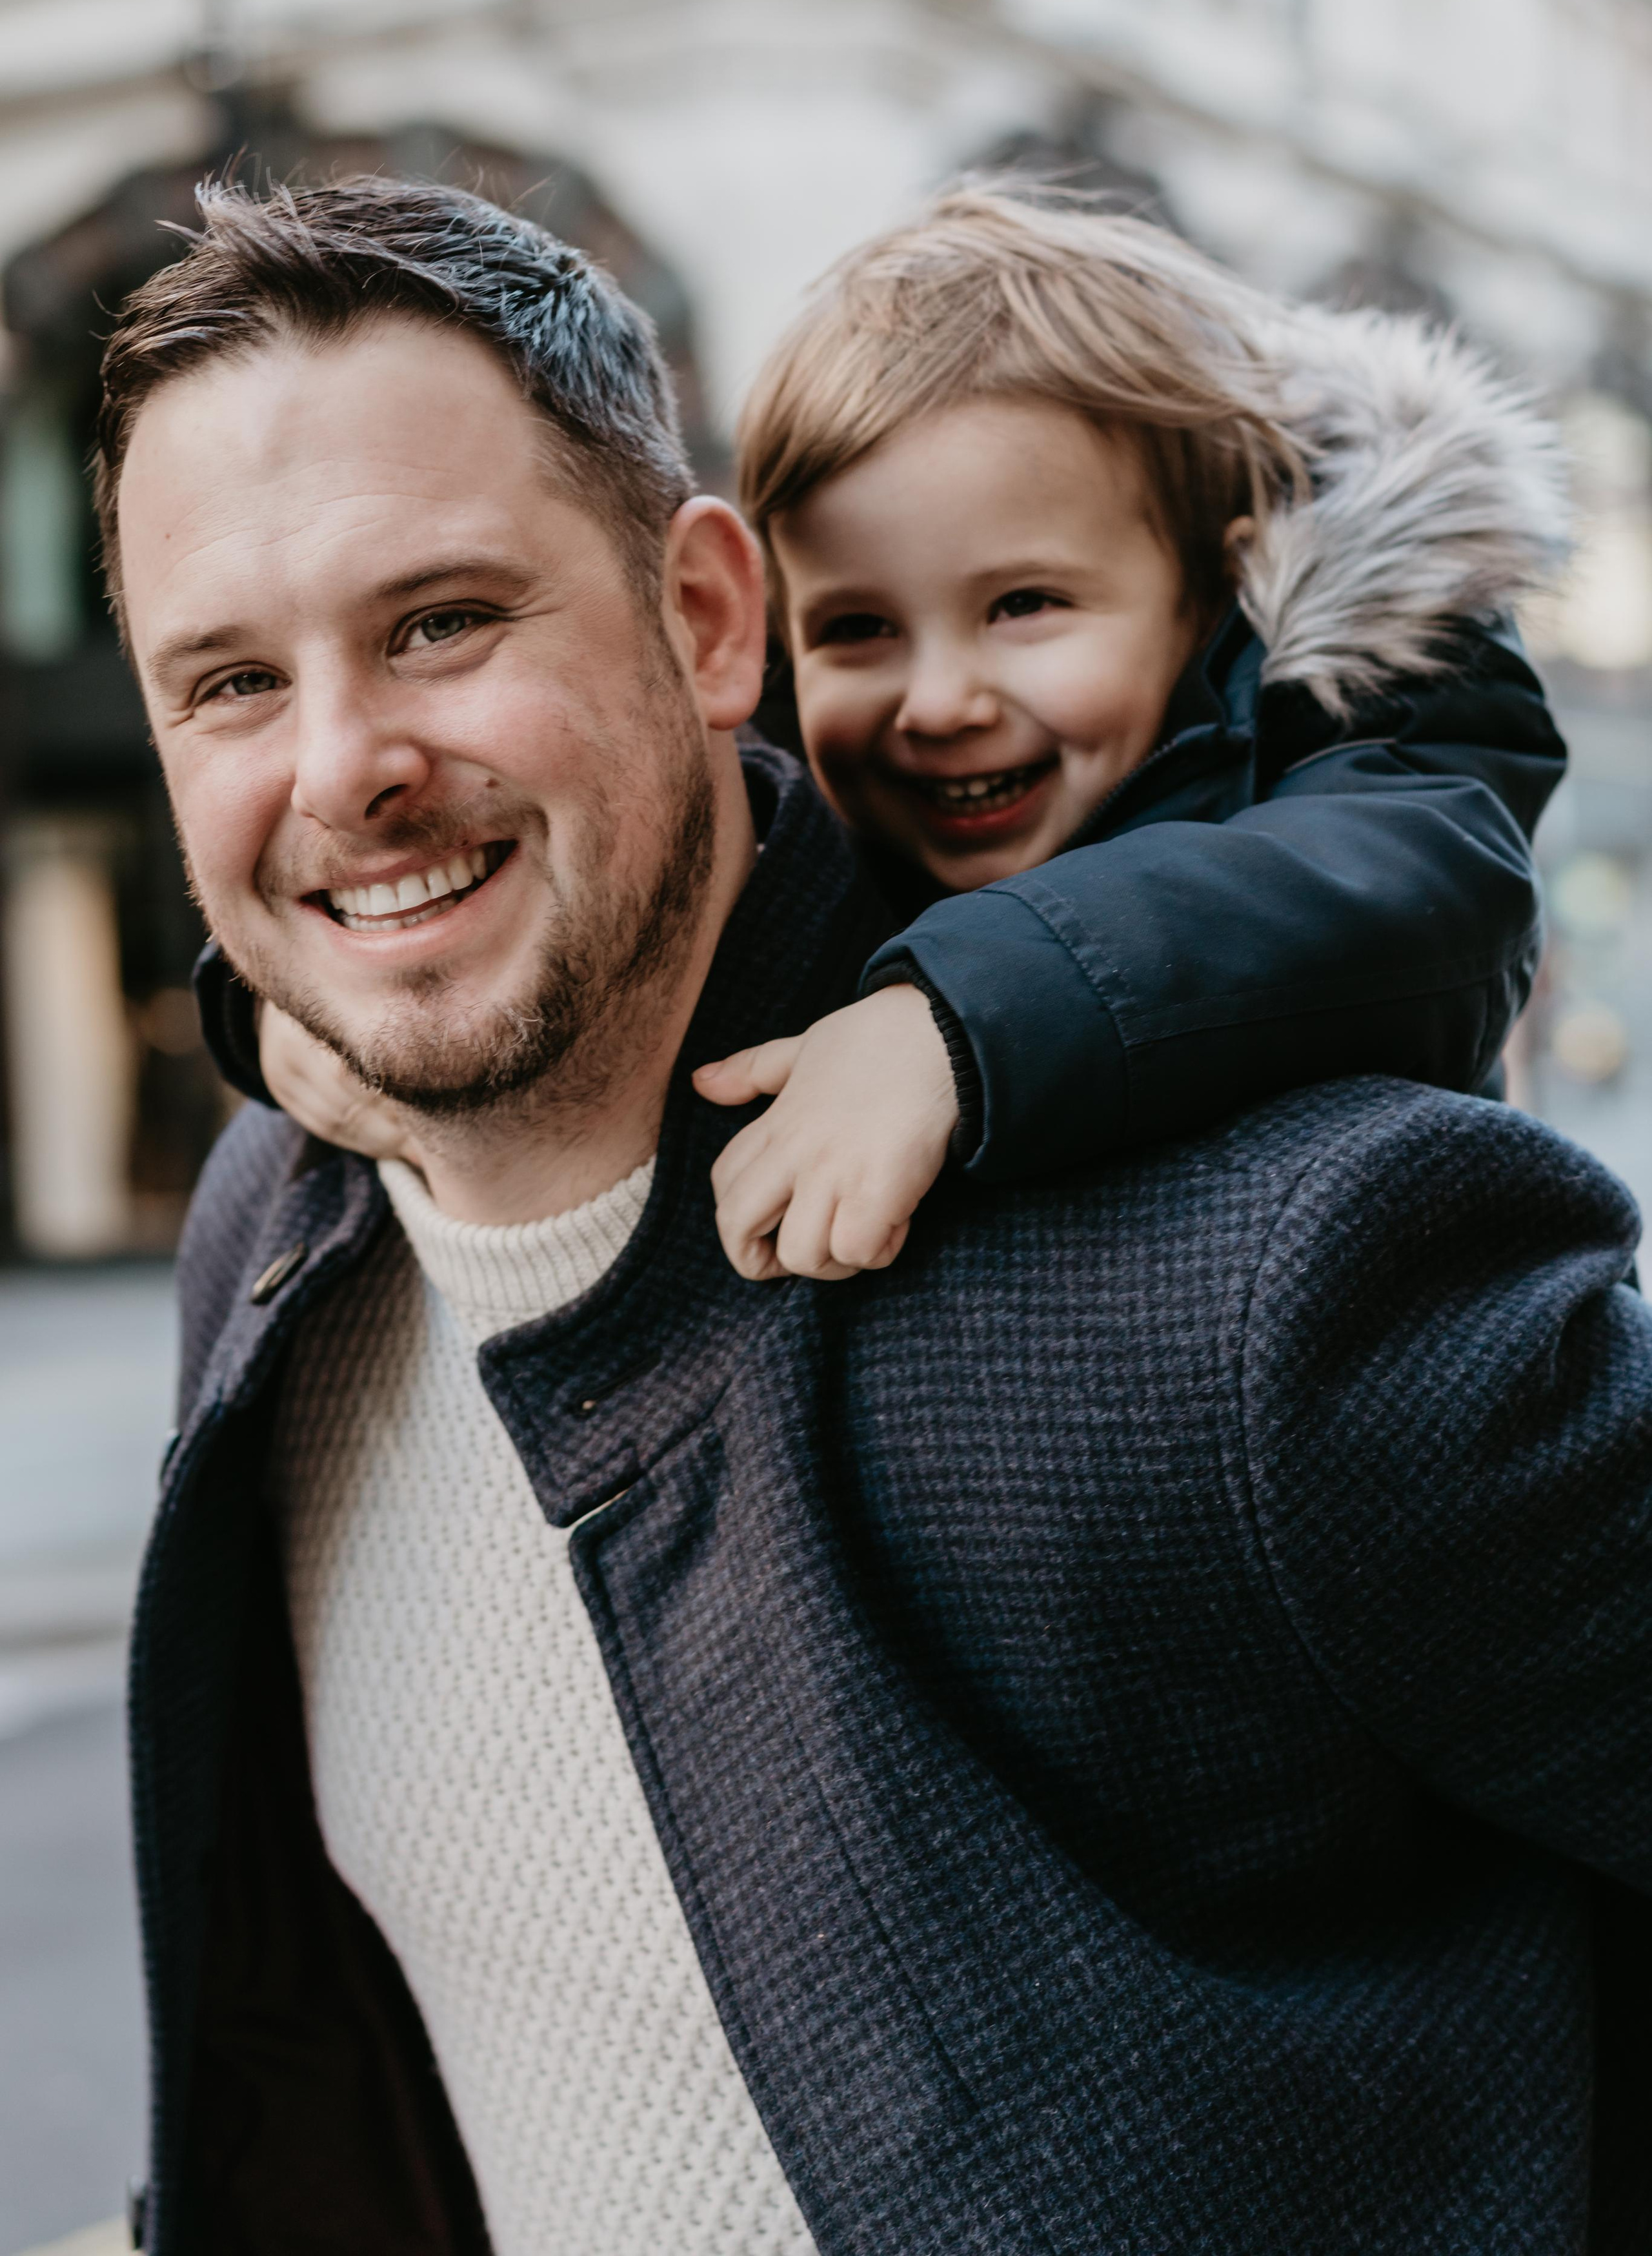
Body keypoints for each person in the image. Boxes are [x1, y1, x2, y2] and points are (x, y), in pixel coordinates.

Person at [112, 177, 1651, 2256]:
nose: (345, 763)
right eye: (225, 680)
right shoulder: (277, 1220)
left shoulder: (1285, 1272)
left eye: (442, 620)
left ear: (708, 617)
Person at [240, 188, 1566, 1288]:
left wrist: (952, 1023)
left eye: (1023, 605)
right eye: (860, 629)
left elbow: (1410, 894)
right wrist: (281, 1005)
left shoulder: (1381, 757)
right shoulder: (813, 757)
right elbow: (604, 824)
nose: (937, 701)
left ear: (1208, 588)